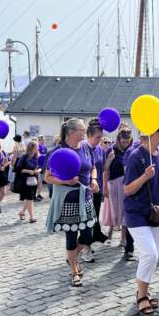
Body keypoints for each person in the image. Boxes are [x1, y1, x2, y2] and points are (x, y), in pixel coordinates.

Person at [124, 122, 159, 316]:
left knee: (154, 256)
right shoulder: (135, 156)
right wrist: (145, 177)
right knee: (150, 254)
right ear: (150, 134)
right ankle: (141, 295)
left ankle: (144, 292)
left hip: (158, 213)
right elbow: (127, 189)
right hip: (136, 213)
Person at [45, 119, 99, 287]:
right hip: (68, 199)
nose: (85, 133)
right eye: (83, 130)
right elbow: (48, 177)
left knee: (88, 234)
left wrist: (95, 180)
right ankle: (74, 270)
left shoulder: (85, 147)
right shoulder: (58, 151)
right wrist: (65, 181)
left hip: (86, 197)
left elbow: (92, 167)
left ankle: (72, 257)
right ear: (72, 132)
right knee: (71, 235)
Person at [102, 127, 134, 258]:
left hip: (126, 184)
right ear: (119, 139)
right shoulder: (111, 150)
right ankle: (109, 233)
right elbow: (105, 170)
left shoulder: (131, 151)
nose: (125, 143)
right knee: (114, 211)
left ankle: (123, 238)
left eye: (128, 141)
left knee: (125, 211)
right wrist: (104, 186)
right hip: (114, 184)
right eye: (123, 141)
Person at [85, 119, 109, 245]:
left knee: (95, 213)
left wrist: (104, 185)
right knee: (87, 217)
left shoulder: (100, 150)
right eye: (97, 137)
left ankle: (96, 234)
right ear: (88, 135)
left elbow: (104, 167)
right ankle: (85, 244)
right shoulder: (82, 148)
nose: (100, 140)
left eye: (101, 137)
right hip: (85, 189)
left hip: (97, 186)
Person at [16, 141, 40, 223]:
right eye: (37, 147)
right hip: (25, 181)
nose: (38, 148)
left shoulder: (36, 157)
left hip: (34, 180)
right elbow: (18, 169)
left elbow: (39, 167)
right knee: (30, 199)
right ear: (32, 148)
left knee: (29, 198)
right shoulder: (24, 157)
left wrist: (37, 171)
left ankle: (22, 213)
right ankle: (31, 217)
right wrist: (28, 171)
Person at [0, 140, 10, 207]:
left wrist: (3, 166)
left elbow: (8, 161)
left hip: (2, 174)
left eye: (0, 144)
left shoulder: (3, 152)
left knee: (3, 193)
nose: (0, 146)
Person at [36, 135, 48, 201]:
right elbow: (38, 155)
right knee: (38, 181)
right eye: (42, 140)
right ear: (39, 140)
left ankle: (39, 194)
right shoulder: (37, 146)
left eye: (44, 140)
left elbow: (46, 155)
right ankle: (36, 194)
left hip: (43, 165)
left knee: (41, 182)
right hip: (38, 166)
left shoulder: (45, 147)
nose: (43, 141)